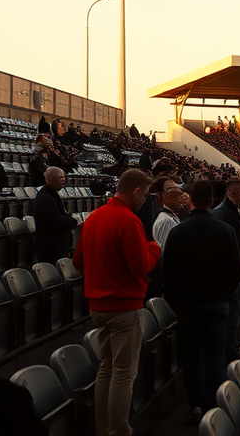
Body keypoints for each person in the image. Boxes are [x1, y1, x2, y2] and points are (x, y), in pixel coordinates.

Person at [73, 169, 162, 436]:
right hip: (124, 306)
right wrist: (154, 248)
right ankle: (120, 430)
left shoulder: (95, 217)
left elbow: (79, 260)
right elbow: (140, 264)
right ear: (135, 192)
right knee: (124, 374)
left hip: (98, 305)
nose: (146, 200)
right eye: (145, 195)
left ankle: (104, 429)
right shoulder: (128, 220)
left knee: (106, 370)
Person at [161, 180, 240, 424]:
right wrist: (224, 294)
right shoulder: (224, 230)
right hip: (217, 303)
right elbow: (236, 269)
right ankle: (214, 404)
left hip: (188, 305)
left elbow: (169, 273)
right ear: (211, 202)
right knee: (216, 354)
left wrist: (175, 302)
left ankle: (195, 405)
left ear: (191, 201)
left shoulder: (177, 231)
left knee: (191, 356)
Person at [211, 179, 240, 358]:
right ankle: (231, 350)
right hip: (231, 274)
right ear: (231, 194)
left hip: (226, 275)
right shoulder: (229, 214)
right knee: (233, 315)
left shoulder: (223, 212)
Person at [33, 167, 77, 264]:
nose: (63, 181)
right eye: (60, 178)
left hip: (56, 244)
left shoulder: (51, 194)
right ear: (51, 179)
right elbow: (55, 220)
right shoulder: (45, 197)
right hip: (50, 247)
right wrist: (73, 221)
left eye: (64, 178)